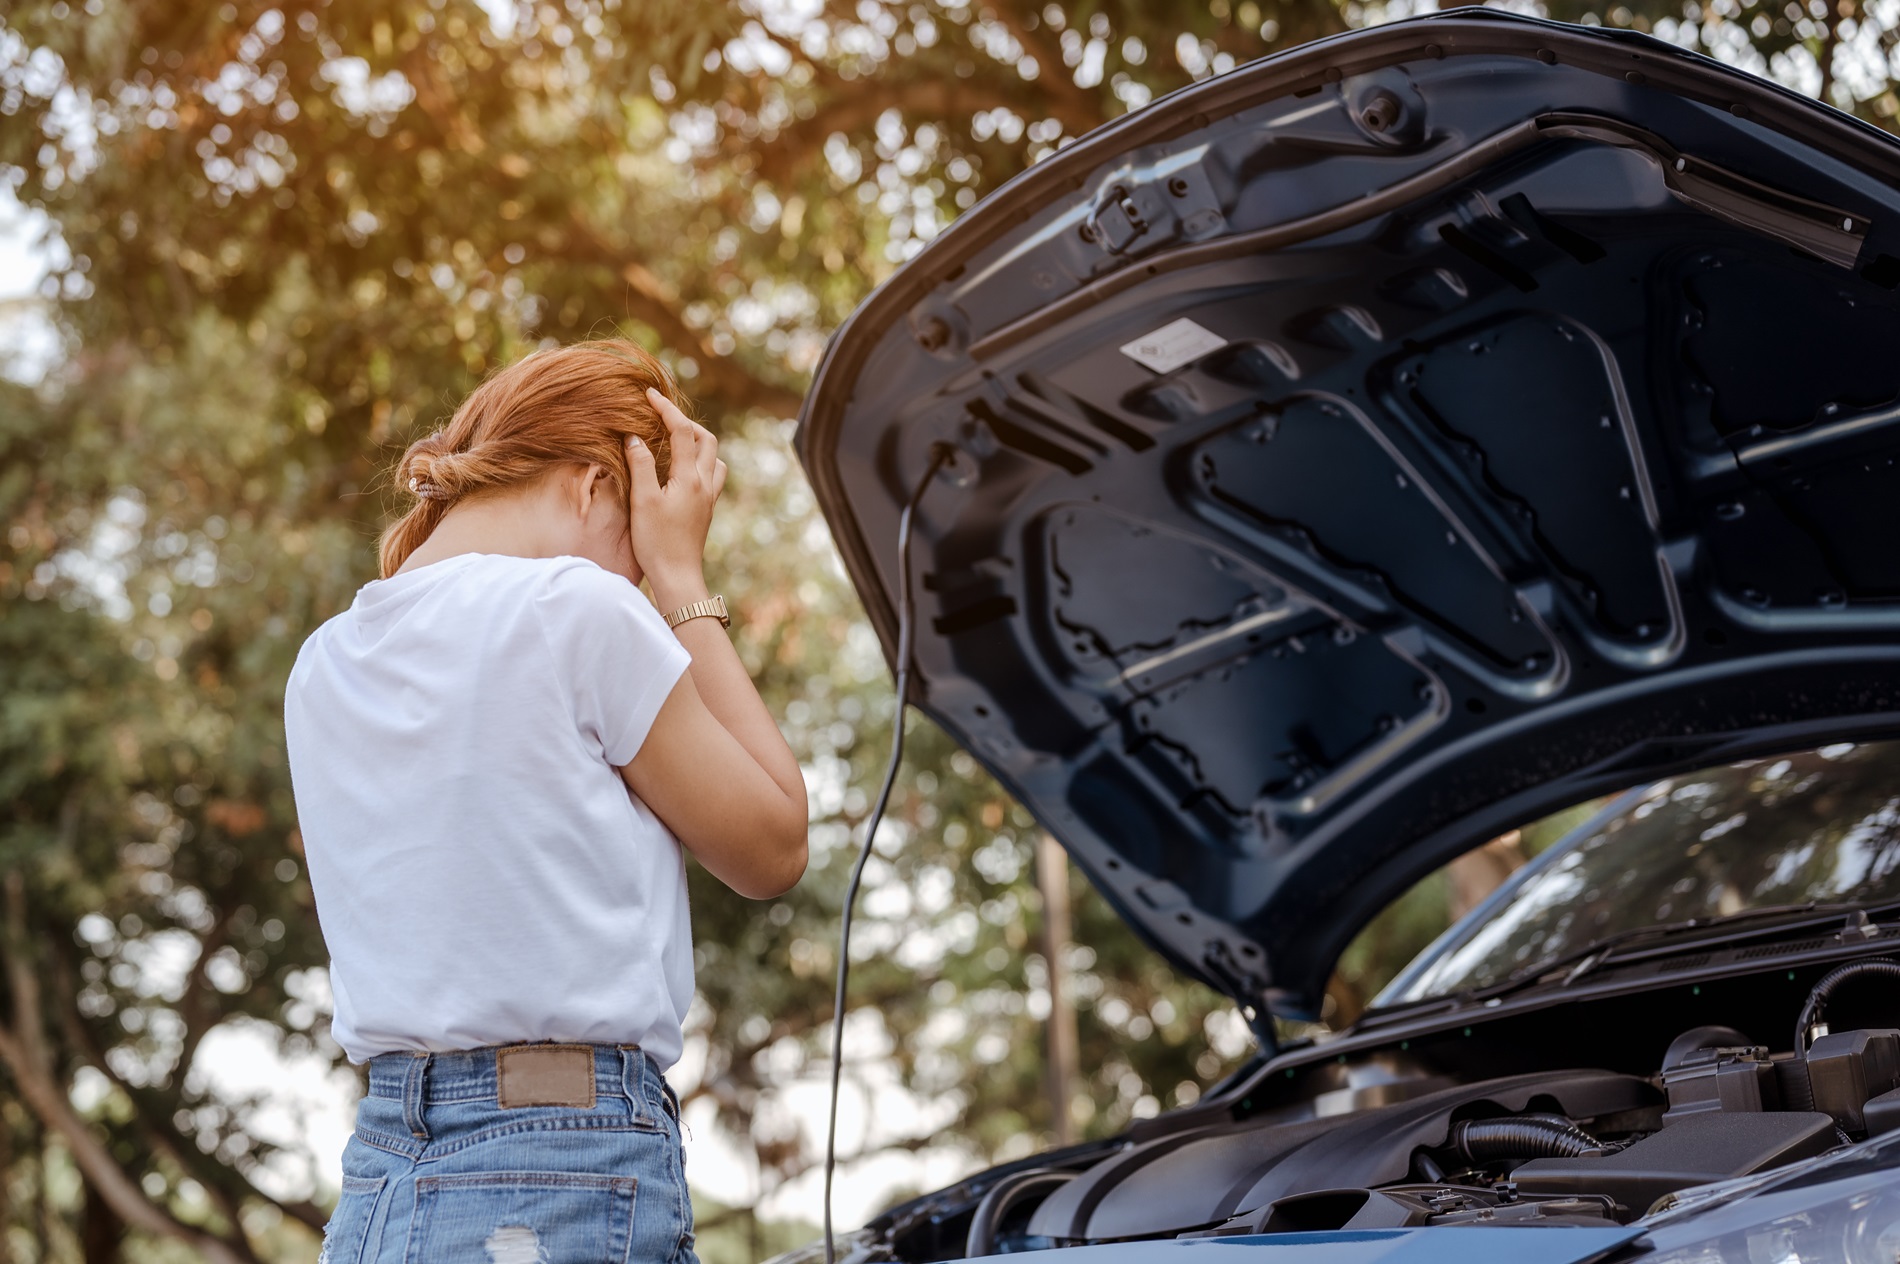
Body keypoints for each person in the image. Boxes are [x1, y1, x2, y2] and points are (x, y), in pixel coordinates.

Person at [283, 339, 808, 1264]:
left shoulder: (326, 659)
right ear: (597, 485)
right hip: (563, 1164)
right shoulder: (575, 609)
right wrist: (684, 580)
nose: (635, 577)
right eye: (637, 548)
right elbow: (773, 845)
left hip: (380, 1173)